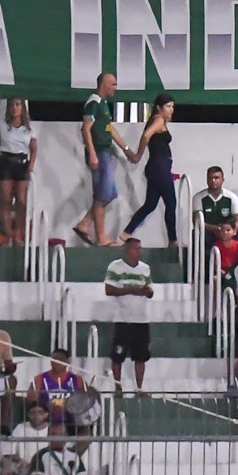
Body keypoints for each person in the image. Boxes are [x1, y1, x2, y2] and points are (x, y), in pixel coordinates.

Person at [0, 95, 38, 247]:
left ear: (22, 108)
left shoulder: (28, 128)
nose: (14, 108)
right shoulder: (2, 124)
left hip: (22, 163)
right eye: (12, 105)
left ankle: (18, 233)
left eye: (17, 104)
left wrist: (31, 165)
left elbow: (34, 148)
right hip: (6, 162)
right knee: (5, 200)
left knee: (21, 201)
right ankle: (8, 233)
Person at [121, 92, 179, 244]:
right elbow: (146, 136)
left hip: (158, 167)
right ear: (159, 108)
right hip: (159, 166)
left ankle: (127, 232)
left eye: (172, 106)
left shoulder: (158, 121)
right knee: (171, 203)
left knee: (151, 204)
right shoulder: (158, 120)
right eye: (168, 106)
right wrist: (138, 155)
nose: (171, 110)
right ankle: (173, 240)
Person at [73, 71, 121, 247]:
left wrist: (126, 149)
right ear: (103, 84)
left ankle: (85, 223)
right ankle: (101, 236)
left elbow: (109, 129)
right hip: (99, 152)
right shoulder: (94, 102)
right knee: (101, 195)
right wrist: (92, 153)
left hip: (105, 151)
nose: (116, 87)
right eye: (113, 84)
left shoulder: (104, 104)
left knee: (109, 193)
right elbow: (85, 129)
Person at [105, 236, 155, 393]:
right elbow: (109, 290)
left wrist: (147, 292)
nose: (139, 251)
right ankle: (118, 387)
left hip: (141, 319)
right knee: (118, 356)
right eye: (136, 248)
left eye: (140, 248)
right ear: (127, 250)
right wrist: (131, 290)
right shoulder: (115, 267)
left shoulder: (145, 268)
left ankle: (139, 388)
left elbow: (150, 290)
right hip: (123, 319)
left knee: (140, 357)